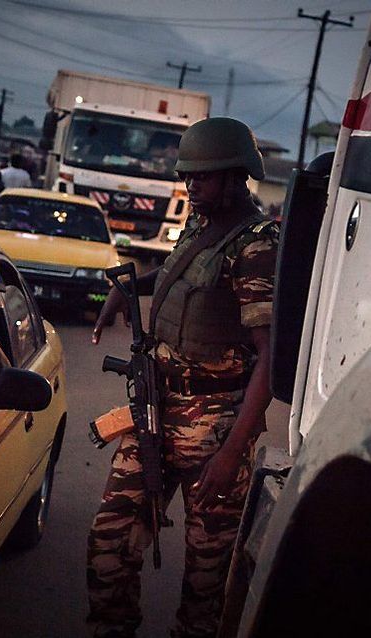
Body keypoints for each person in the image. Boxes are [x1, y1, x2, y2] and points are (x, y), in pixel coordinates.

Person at [87, 117, 279, 638]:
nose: (191, 186)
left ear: (237, 177)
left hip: (216, 429)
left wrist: (231, 452)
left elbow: (272, 355)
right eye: (187, 176)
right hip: (155, 413)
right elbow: (182, 272)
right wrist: (127, 288)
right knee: (110, 545)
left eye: (202, 177)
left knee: (206, 582)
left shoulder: (257, 246)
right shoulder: (201, 223)